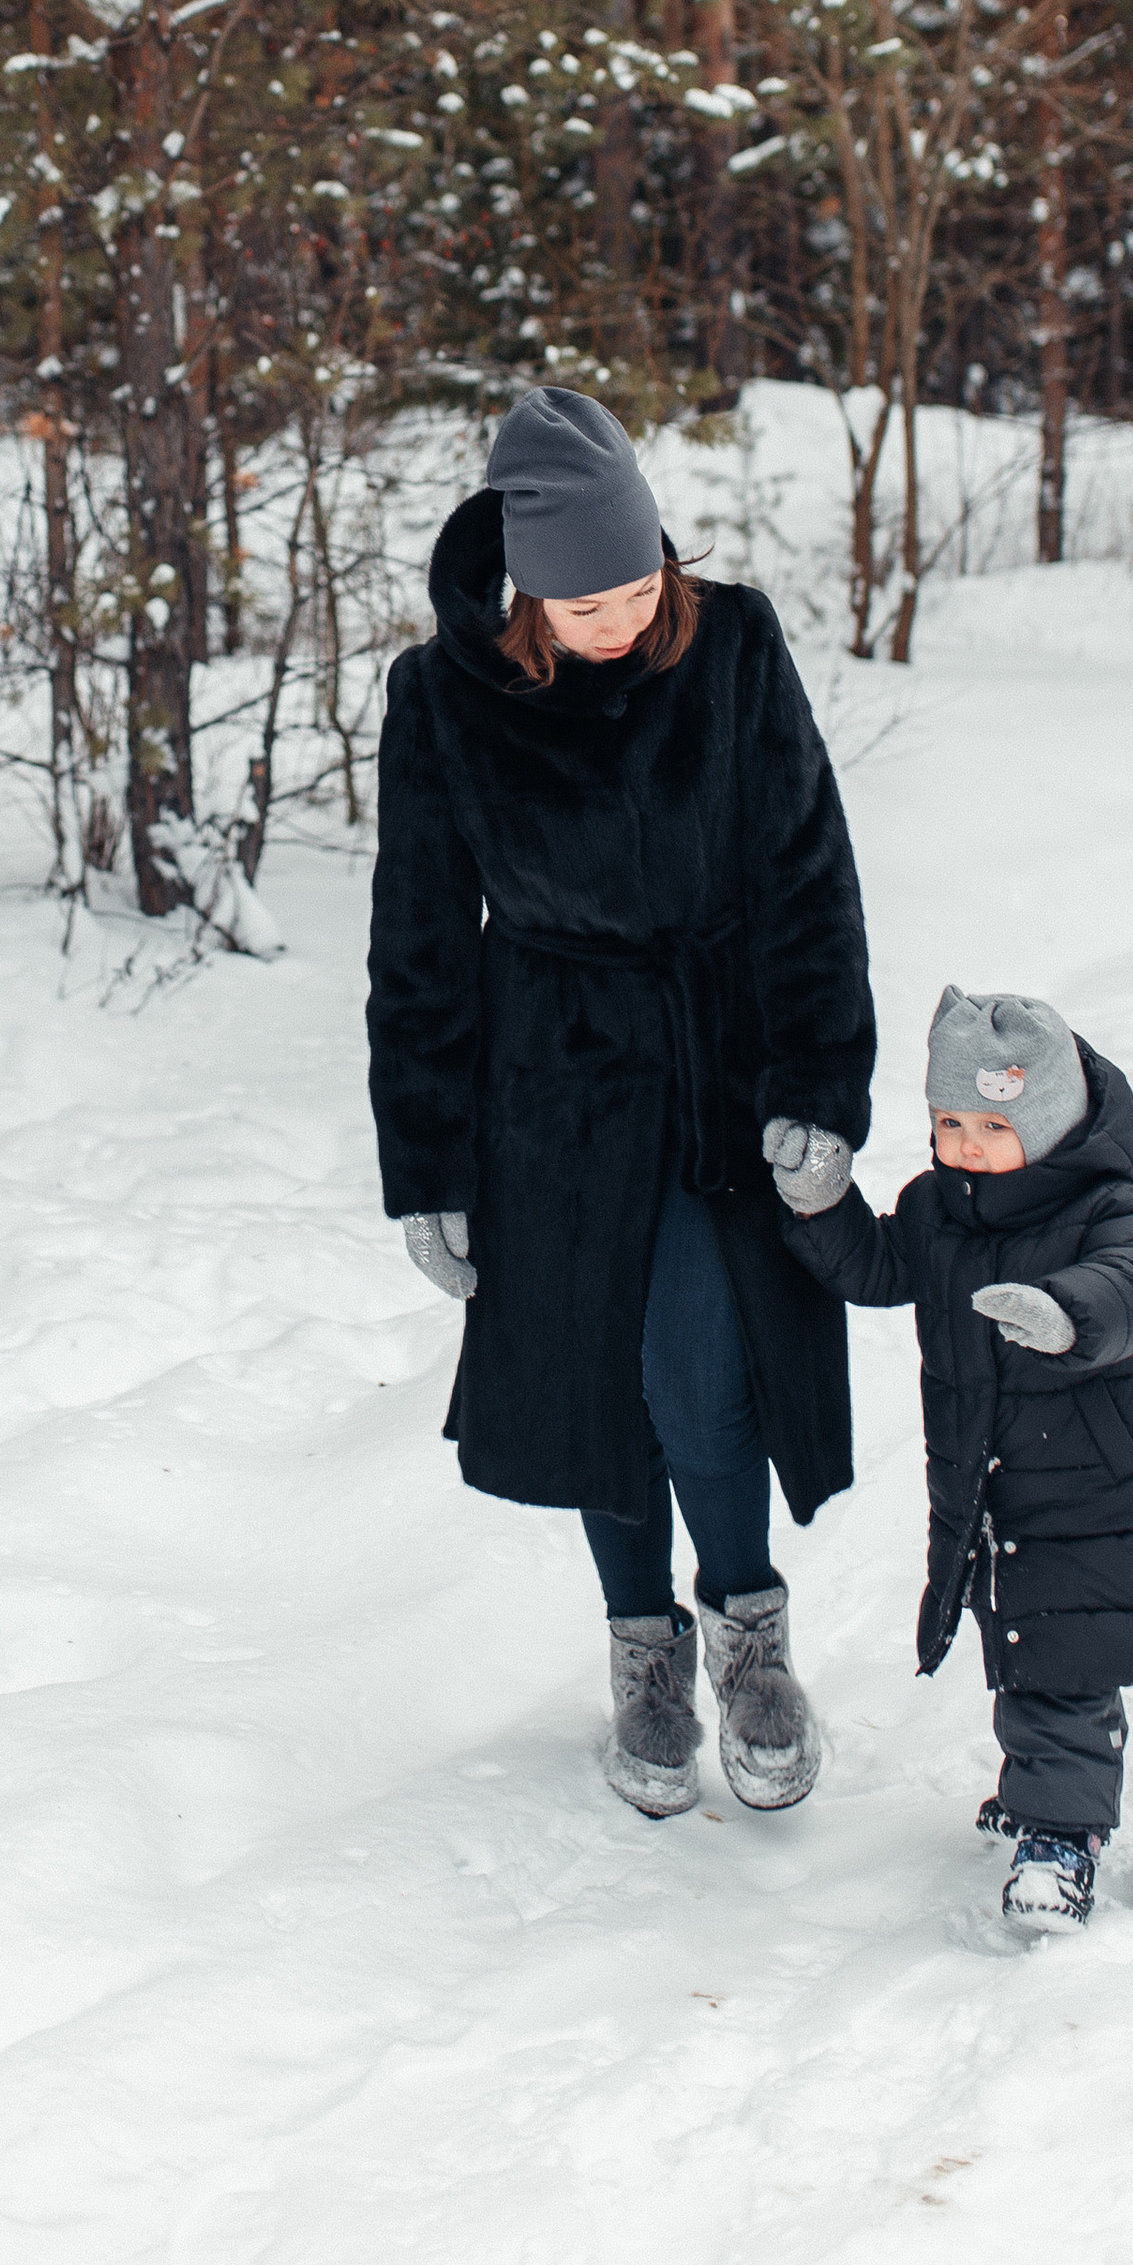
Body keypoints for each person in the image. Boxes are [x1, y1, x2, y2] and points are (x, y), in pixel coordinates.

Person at [367, 387, 875, 1823]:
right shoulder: (444, 699)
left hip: (723, 1071)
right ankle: (641, 1653)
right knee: (597, 1388)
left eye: (644, 583)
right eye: (589, 600)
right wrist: (430, 1166)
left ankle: (750, 1638)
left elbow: (809, 880)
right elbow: (416, 948)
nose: (623, 618)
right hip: (550, 1091)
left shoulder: (737, 649)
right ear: (526, 586)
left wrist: (820, 1086)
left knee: (705, 1380)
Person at [771, 985, 1133, 1931]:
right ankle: (1047, 1792)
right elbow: (877, 1268)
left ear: (1045, 1123)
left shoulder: (1108, 1207)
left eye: (987, 1125)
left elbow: (1132, 1286)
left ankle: (1058, 1841)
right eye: (946, 1120)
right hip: (994, 1475)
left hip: (1097, 1483)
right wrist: (819, 1205)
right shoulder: (939, 1211)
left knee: (1064, 1657)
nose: (962, 1143)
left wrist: (1064, 1314)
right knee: (1022, 1639)